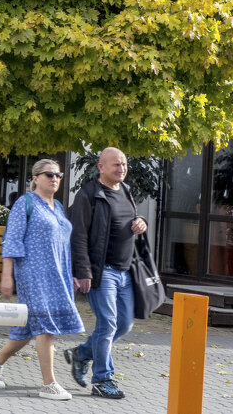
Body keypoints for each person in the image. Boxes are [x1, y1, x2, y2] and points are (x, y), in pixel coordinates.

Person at [0, 159, 83, 401]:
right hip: (33, 275)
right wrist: (7, 276)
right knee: (46, 327)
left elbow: (61, 243)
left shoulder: (57, 205)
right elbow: (12, 240)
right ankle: (49, 384)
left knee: (29, 328)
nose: (55, 178)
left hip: (56, 275)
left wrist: (71, 274)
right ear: (35, 178)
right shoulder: (24, 203)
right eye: (49, 174)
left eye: (58, 174)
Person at [64, 147, 148, 400]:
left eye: (124, 164)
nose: (121, 169)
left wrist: (141, 222)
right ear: (101, 167)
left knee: (124, 324)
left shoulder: (126, 190)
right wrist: (82, 271)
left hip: (125, 271)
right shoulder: (88, 194)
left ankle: (81, 353)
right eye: (115, 165)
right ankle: (102, 379)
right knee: (108, 324)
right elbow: (77, 236)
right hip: (102, 272)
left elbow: (128, 221)